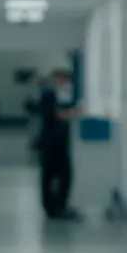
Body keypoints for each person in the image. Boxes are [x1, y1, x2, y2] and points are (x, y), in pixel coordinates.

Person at [37, 67, 82, 219]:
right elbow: (55, 114)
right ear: (57, 79)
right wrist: (74, 113)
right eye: (64, 81)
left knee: (56, 174)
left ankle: (56, 205)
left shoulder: (56, 94)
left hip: (56, 140)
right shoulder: (48, 93)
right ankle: (55, 207)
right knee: (56, 174)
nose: (65, 84)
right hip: (52, 142)